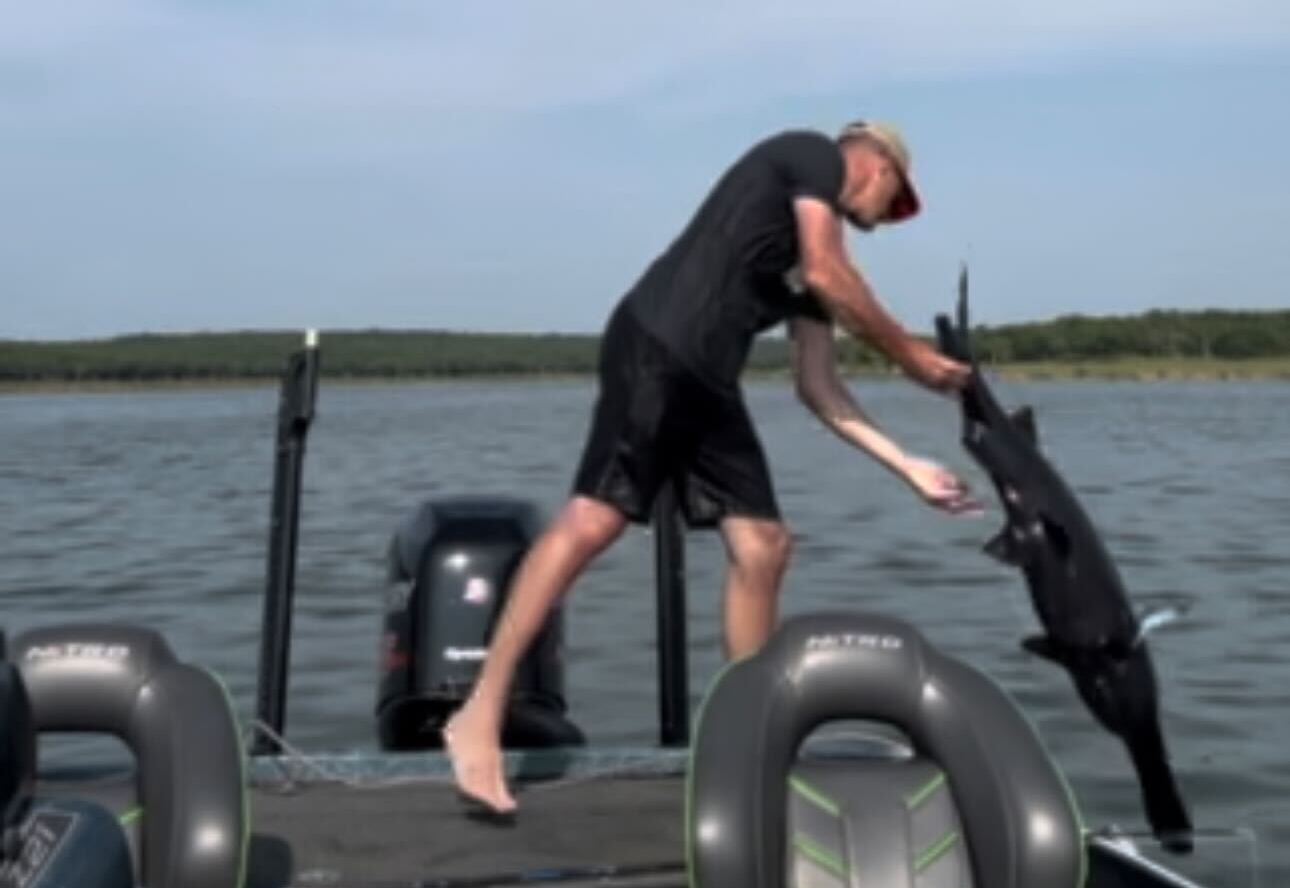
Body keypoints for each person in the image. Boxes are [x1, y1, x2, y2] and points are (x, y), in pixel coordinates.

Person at [444, 120, 979, 814]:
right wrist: (909, 356)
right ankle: (479, 713)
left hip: (709, 384)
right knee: (595, 519)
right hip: (657, 343)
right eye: (894, 205)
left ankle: (745, 741)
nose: (883, 224)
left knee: (764, 545)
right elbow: (826, 268)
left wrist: (908, 466)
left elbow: (819, 388)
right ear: (878, 166)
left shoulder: (826, 268)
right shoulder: (810, 154)